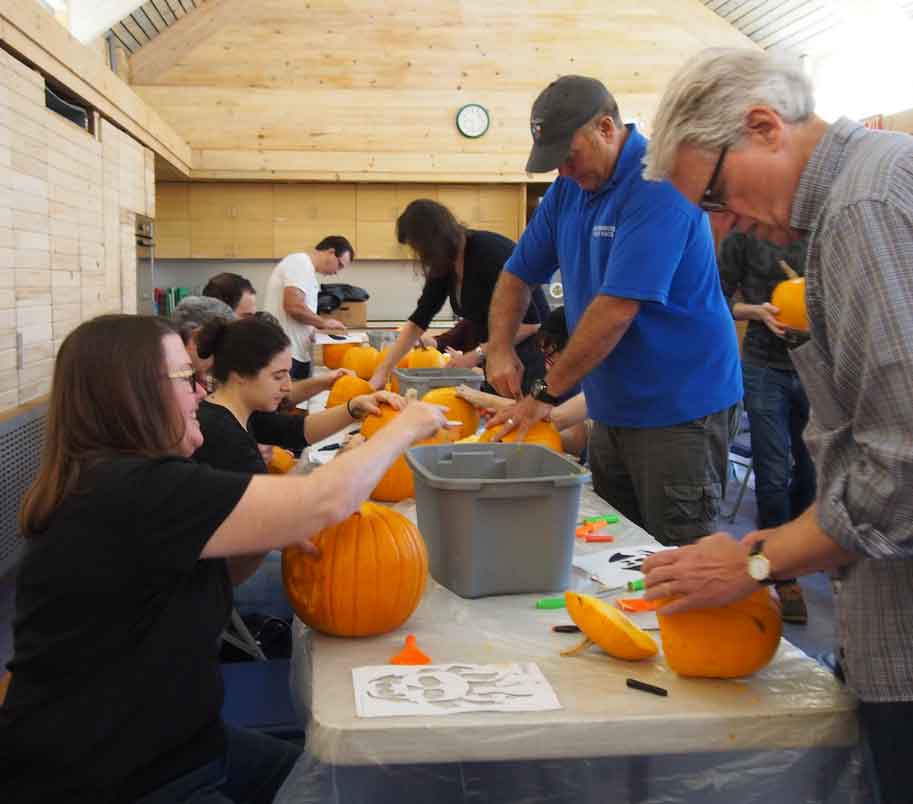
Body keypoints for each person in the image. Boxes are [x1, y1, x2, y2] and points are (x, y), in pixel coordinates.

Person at [0, 314, 447, 804]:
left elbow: (222, 575)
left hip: (177, 742)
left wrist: (263, 530)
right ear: (134, 394)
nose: (199, 393)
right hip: (114, 777)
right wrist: (407, 425)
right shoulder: (133, 492)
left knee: (341, 783)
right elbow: (327, 501)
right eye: (185, 379)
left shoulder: (126, 482)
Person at [639, 47, 913, 804]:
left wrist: (755, 560)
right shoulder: (879, 181)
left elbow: (903, 466)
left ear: (762, 126)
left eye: (718, 197)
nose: (727, 227)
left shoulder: (861, 210)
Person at [485, 74, 742, 546]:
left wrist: (543, 393)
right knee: (617, 550)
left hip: (678, 407)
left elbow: (617, 307)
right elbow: (517, 273)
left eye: (569, 157)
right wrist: (499, 347)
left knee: (675, 557)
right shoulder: (569, 190)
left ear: (606, 128)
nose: (563, 171)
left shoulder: (659, 183)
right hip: (613, 407)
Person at [718, 229, 815, 624]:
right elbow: (718, 301)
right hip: (763, 367)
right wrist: (757, 312)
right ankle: (783, 577)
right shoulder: (743, 235)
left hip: (816, 367)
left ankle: (801, 549)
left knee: (811, 473)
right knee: (772, 474)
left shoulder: (820, 225)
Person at [368, 199, 550, 391]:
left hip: (534, 358)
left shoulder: (489, 252)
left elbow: (531, 324)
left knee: (524, 417)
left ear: (432, 240)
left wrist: (475, 355)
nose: (420, 256)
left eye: (420, 248)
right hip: (496, 358)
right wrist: (382, 371)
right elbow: (418, 321)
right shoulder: (445, 264)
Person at [193, 315, 401, 476]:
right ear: (239, 373)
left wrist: (353, 408)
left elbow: (296, 430)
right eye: (278, 376)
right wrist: (342, 462)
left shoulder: (241, 411)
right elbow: (273, 510)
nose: (287, 387)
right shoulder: (224, 438)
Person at [264, 235, 353, 381]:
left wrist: (312, 331)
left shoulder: (309, 273)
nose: (337, 272)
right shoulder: (300, 262)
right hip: (285, 353)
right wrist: (323, 322)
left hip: (297, 353)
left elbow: (299, 313)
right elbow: (293, 306)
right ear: (331, 252)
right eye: (340, 265)